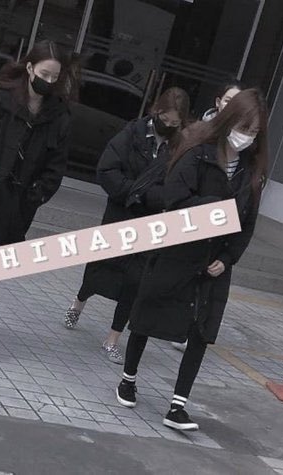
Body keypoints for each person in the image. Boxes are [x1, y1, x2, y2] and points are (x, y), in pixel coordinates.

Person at [115, 88, 269, 430]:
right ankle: (128, 378)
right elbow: (175, 201)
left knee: (201, 331)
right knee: (147, 315)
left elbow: (247, 224)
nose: (247, 136)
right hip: (178, 253)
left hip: (213, 264)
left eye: (255, 131)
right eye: (244, 127)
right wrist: (215, 209)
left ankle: (177, 405)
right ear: (229, 120)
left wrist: (227, 258)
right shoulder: (198, 153)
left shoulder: (251, 172)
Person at [0, 40, 79, 356]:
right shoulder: (3, 102)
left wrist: (36, 196)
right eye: (44, 74)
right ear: (29, 68)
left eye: (55, 77)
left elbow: (56, 167)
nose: (48, 81)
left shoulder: (60, 117)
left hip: (19, 207)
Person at [63, 87, 191, 363]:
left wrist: (151, 198)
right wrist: (133, 193)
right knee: (98, 270)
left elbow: (177, 187)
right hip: (119, 214)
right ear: (156, 111)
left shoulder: (179, 147)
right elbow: (107, 169)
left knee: (135, 282)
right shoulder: (132, 134)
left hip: (149, 222)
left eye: (174, 123)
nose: (168, 126)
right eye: (164, 120)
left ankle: (112, 339)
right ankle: (79, 301)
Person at [171, 80, 244, 352]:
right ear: (218, 102)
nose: (232, 108)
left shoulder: (243, 148)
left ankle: (188, 328)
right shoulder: (199, 134)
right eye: (228, 101)